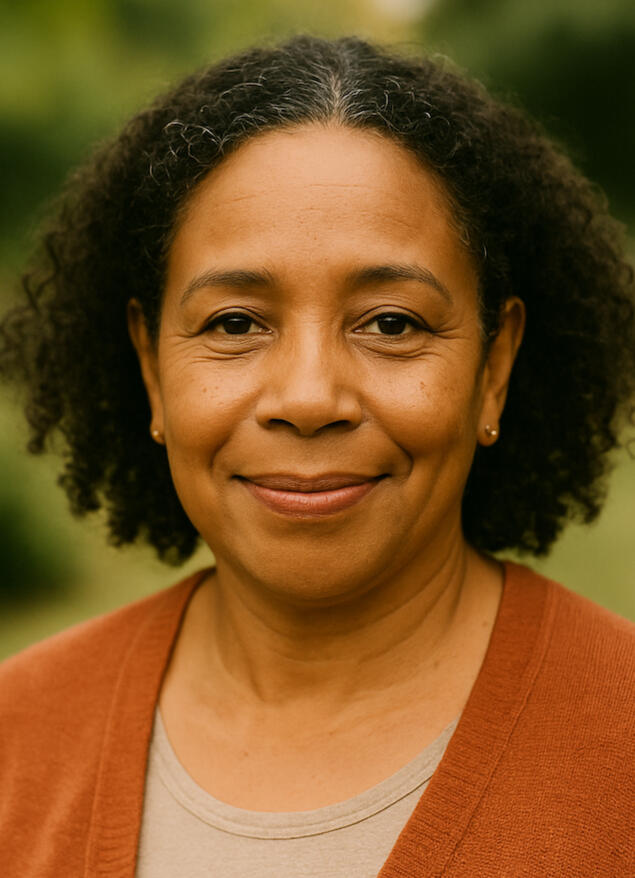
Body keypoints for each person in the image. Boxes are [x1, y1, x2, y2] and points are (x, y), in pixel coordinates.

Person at [0, 34, 633, 878]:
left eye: (391, 323)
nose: (307, 398)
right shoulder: (15, 738)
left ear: (494, 366)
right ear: (152, 368)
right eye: (234, 323)